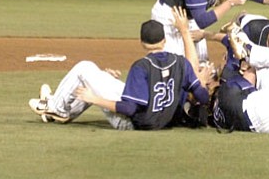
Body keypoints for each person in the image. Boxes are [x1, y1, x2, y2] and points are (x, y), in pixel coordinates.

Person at [28, 19, 214, 130]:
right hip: (162, 120)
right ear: (164, 41)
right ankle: (61, 109)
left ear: (141, 42)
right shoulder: (181, 63)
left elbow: (130, 109)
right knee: (95, 75)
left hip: (134, 123)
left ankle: (56, 107)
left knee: (84, 67)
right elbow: (203, 97)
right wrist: (201, 82)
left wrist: (95, 99)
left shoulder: (141, 66)